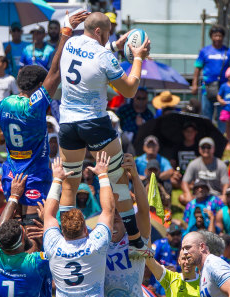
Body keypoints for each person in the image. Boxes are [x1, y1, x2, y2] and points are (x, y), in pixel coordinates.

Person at [57, 11, 150, 255]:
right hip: (94, 122)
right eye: (107, 33)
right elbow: (129, 90)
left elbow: (92, 57)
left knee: (70, 185)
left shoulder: (70, 42)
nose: (109, 37)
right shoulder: (104, 55)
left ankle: (67, 238)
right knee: (117, 178)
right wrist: (138, 58)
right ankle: (135, 240)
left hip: (67, 123)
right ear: (99, 32)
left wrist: (114, 47)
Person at [0, 11, 89, 216]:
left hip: (11, 173)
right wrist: (66, 32)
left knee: (15, 223)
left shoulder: (4, 104)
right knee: (34, 224)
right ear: (40, 86)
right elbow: (56, 72)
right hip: (35, 174)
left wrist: (2, 126)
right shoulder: (35, 104)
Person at [43, 154, 124, 297]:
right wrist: (102, 175)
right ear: (85, 230)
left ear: (63, 230)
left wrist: (57, 180)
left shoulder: (54, 245)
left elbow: (48, 215)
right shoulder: (95, 244)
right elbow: (108, 210)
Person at [103, 154, 153, 297]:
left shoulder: (137, 241)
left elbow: (143, 211)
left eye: (118, 219)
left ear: (125, 220)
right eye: (109, 218)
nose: (113, 222)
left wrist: (134, 177)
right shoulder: (98, 242)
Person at [192, 24, 230, 132]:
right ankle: (206, 134)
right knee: (206, 112)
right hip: (207, 87)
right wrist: (194, 84)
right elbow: (197, 68)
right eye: (215, 35)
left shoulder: (228, 51)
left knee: (223, 114)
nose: (217, 38)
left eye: (220, 36)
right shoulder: (205, 51)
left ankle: (222, 135)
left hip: (224, 88)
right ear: (211, 36)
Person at [179, 137, 229, 206]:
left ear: (213, 149)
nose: (206, 150)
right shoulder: (194, 164)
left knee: (226, 199)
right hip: (198, 196)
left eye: (208, 147)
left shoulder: (221, 165)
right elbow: (184, 182)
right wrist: (188, 193)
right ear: (199, 149)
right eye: (203, 147)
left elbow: (226, 183)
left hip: (215, 196)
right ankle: (193, 210)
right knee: (182, 197)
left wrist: (224, 195)